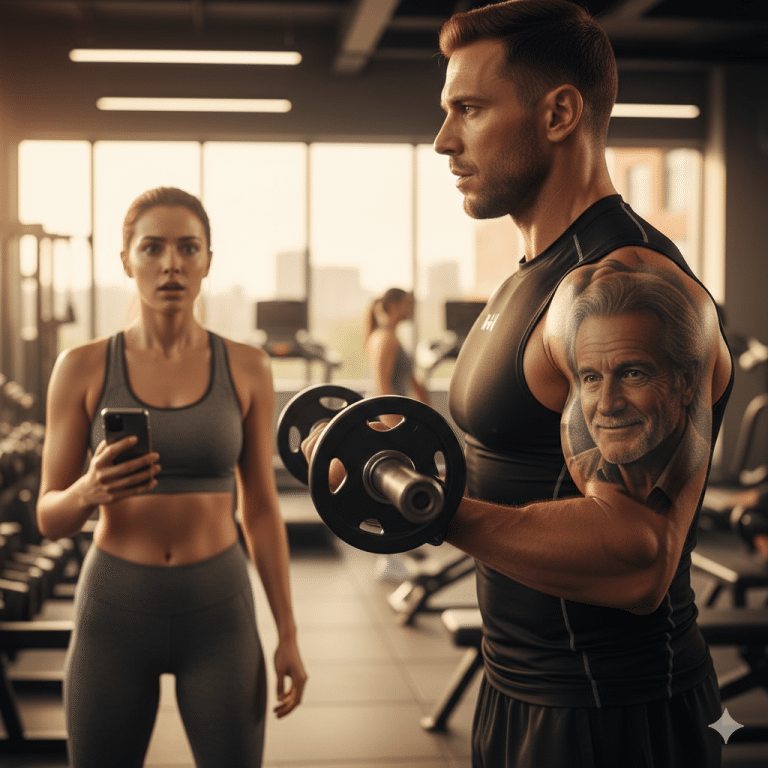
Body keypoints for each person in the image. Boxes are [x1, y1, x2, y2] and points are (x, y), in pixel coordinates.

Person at [302, 1, 733, 765]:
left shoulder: (620, 285)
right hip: (515, 693)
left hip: (612, 716)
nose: (443, 140)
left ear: (560, 112)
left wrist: (432, 512)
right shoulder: (533, 277)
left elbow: (639, 555)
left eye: (468, 109)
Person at [36, 187, 307, 768]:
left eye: (188, 248)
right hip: (114, 607)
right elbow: (49, 517)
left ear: (208, 260)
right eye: (152, 248)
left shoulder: (247, 366)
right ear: (126, 260)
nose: (171, 264)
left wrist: (287, 631)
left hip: (219, 610)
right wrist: (88, 490)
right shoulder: (81, 367)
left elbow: (259, 508)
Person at [565, 270, 709, 514]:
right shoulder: (572, 474)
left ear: (686, 381)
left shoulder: (700, 472)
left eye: (633, 374)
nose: (607, 405)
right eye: (591, 378)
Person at [364, 288, 430, 404]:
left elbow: (411, 379)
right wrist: (394, 421)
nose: (412, 308)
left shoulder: (392, 337)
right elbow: (382, 388)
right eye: (408, 303)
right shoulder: (385, 339)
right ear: (392, 306)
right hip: (382, 414)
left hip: (394, 410)